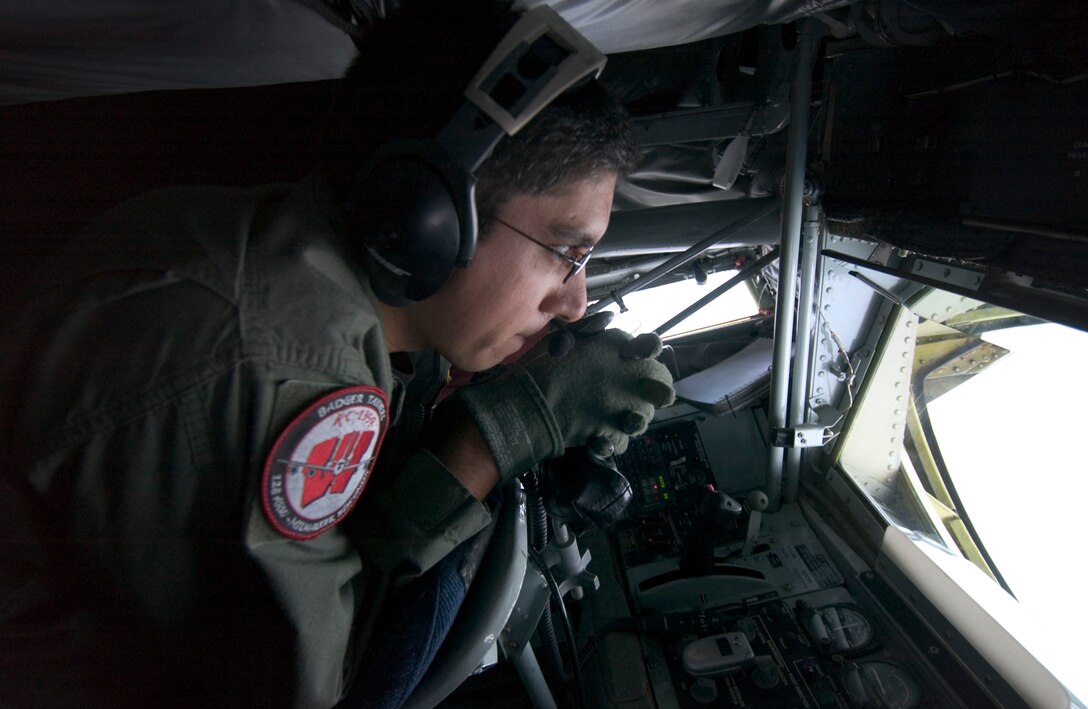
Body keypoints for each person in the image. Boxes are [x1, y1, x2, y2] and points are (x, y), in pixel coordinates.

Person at [0, 1, 674, 707]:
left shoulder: (296, 254)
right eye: (568, 254)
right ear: (431, 214)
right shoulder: (271, 362)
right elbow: (319, 693)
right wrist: (495, 438)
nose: (574, 301)